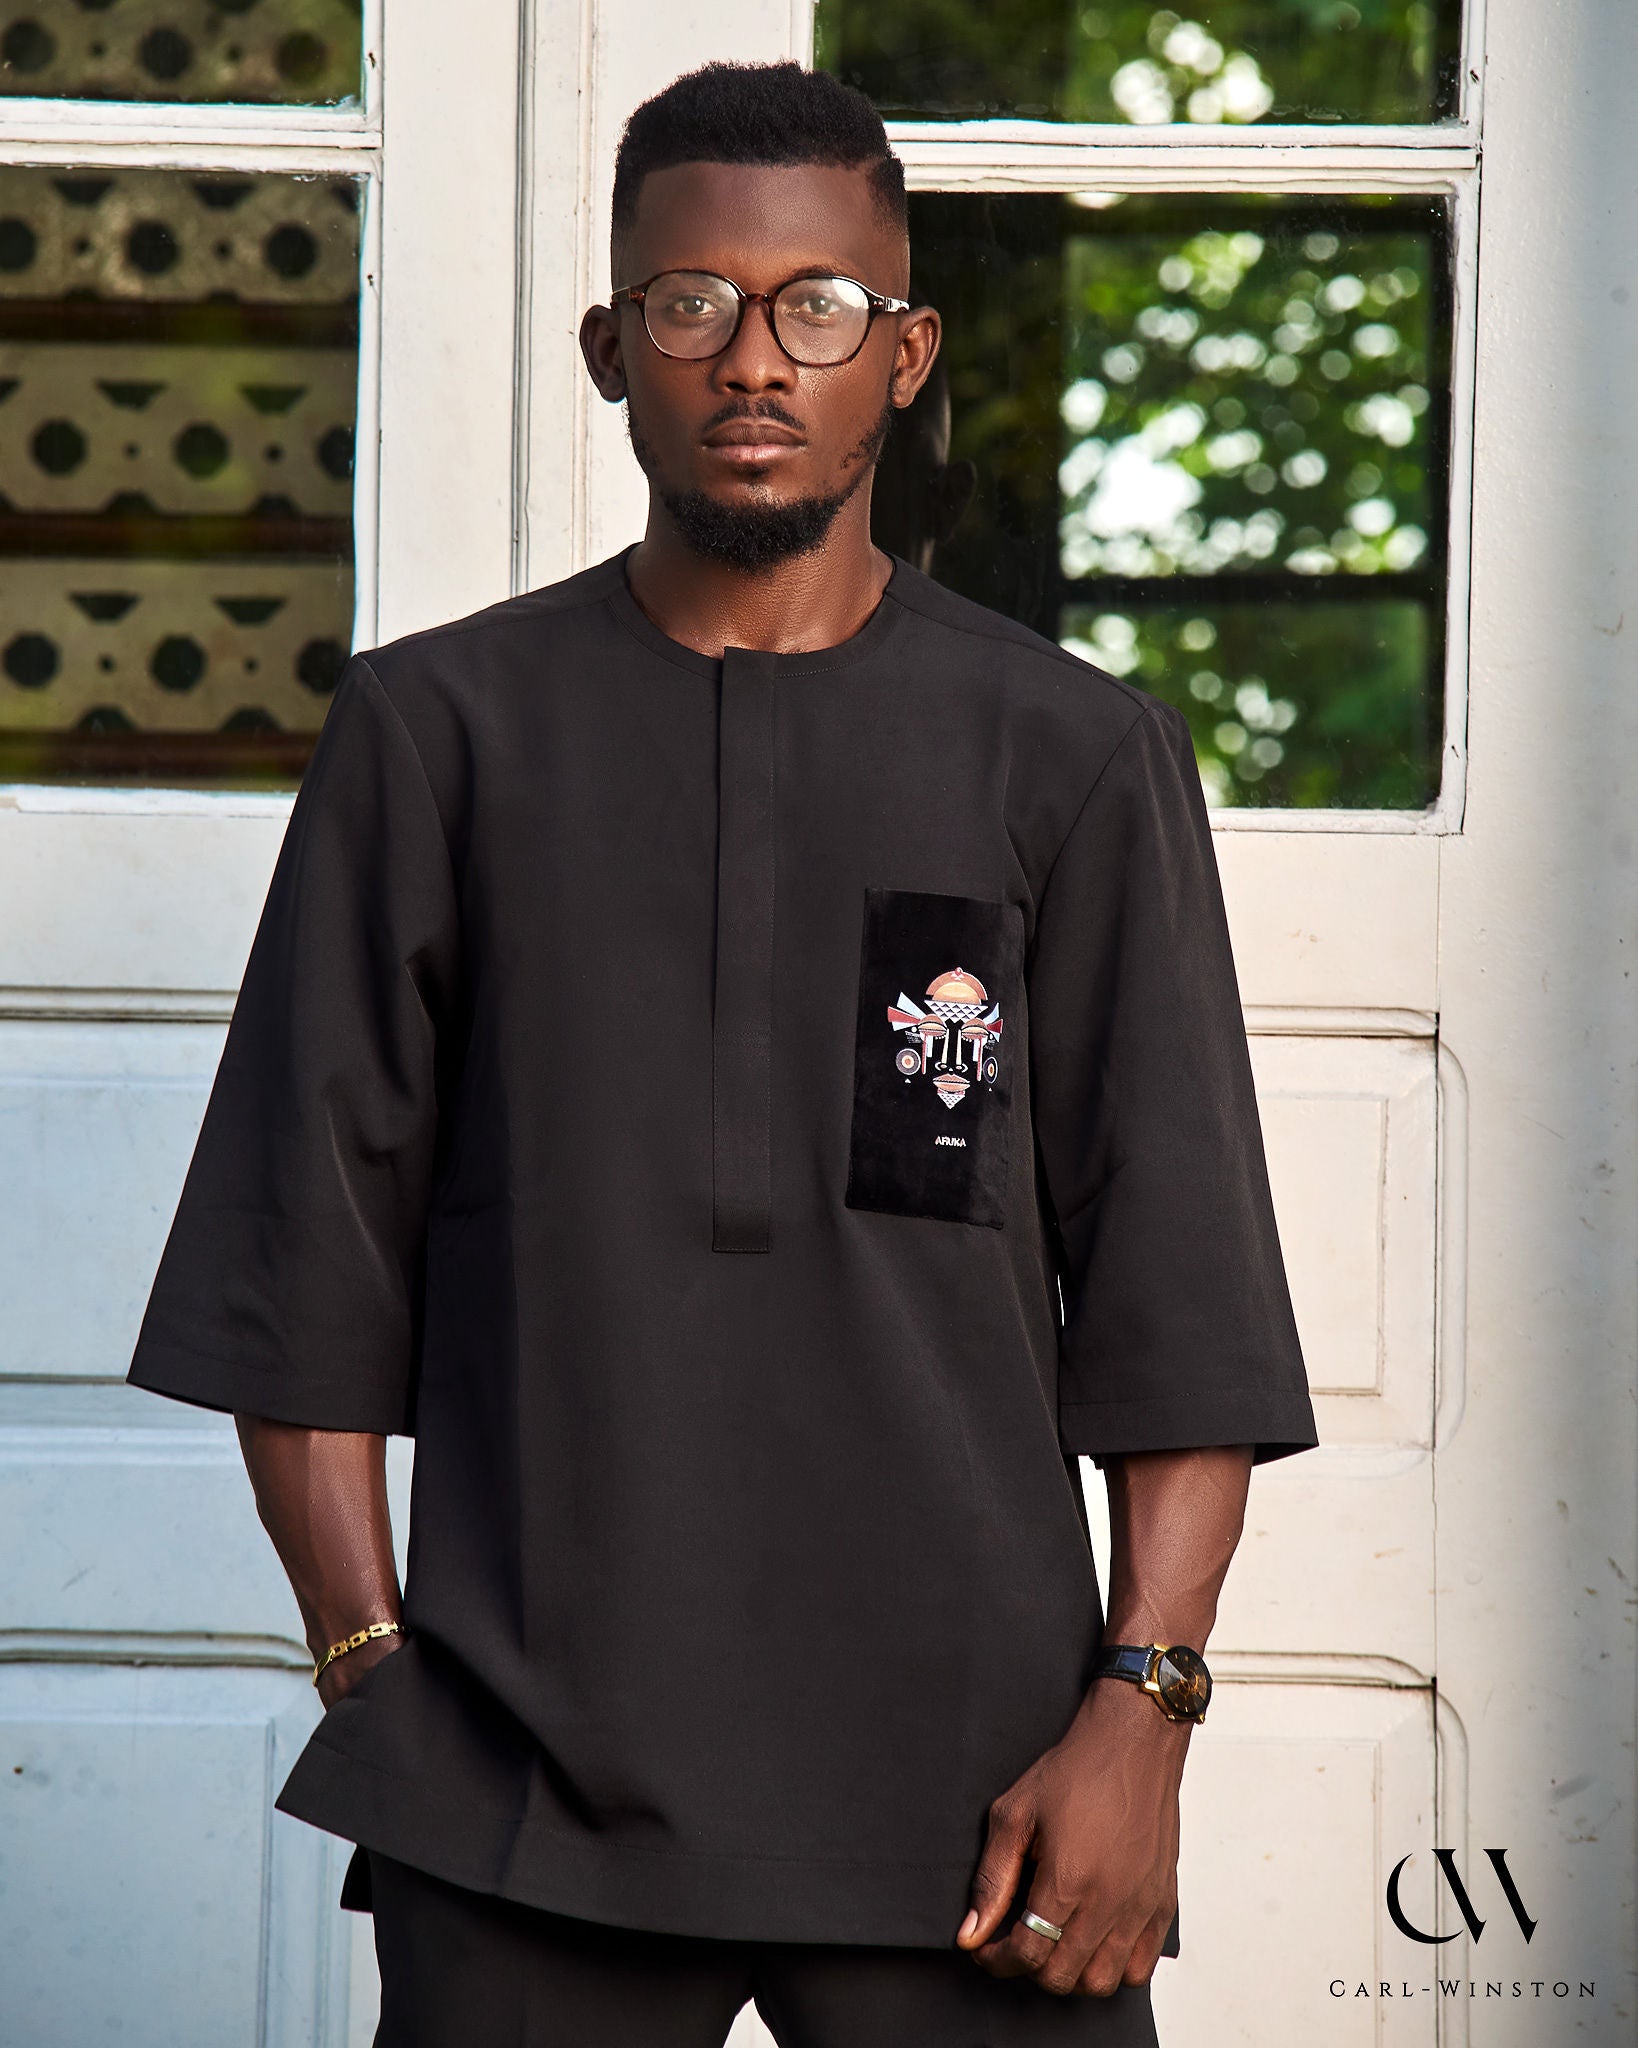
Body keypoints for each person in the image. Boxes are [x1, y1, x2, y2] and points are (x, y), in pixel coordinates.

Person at [128, 59, 1316, 2047]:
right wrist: (373, 1671)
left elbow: (1179, 1293)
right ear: (611, 347)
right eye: (691, 305)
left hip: (987, 1793)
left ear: (906, 352)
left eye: (818, 309)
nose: (754, 360)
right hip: (525, 1795)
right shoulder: (439, 741)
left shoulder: (1073, 756)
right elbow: (295, 1272)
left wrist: (1144, 1718)